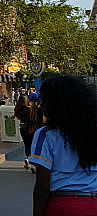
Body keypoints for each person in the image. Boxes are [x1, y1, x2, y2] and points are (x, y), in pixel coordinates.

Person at [30, 75, 97, 215]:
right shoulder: (93, 134)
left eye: (45, 102)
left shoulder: (46, 135)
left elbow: (42, 186)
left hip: (62, 205)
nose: (42, 107)